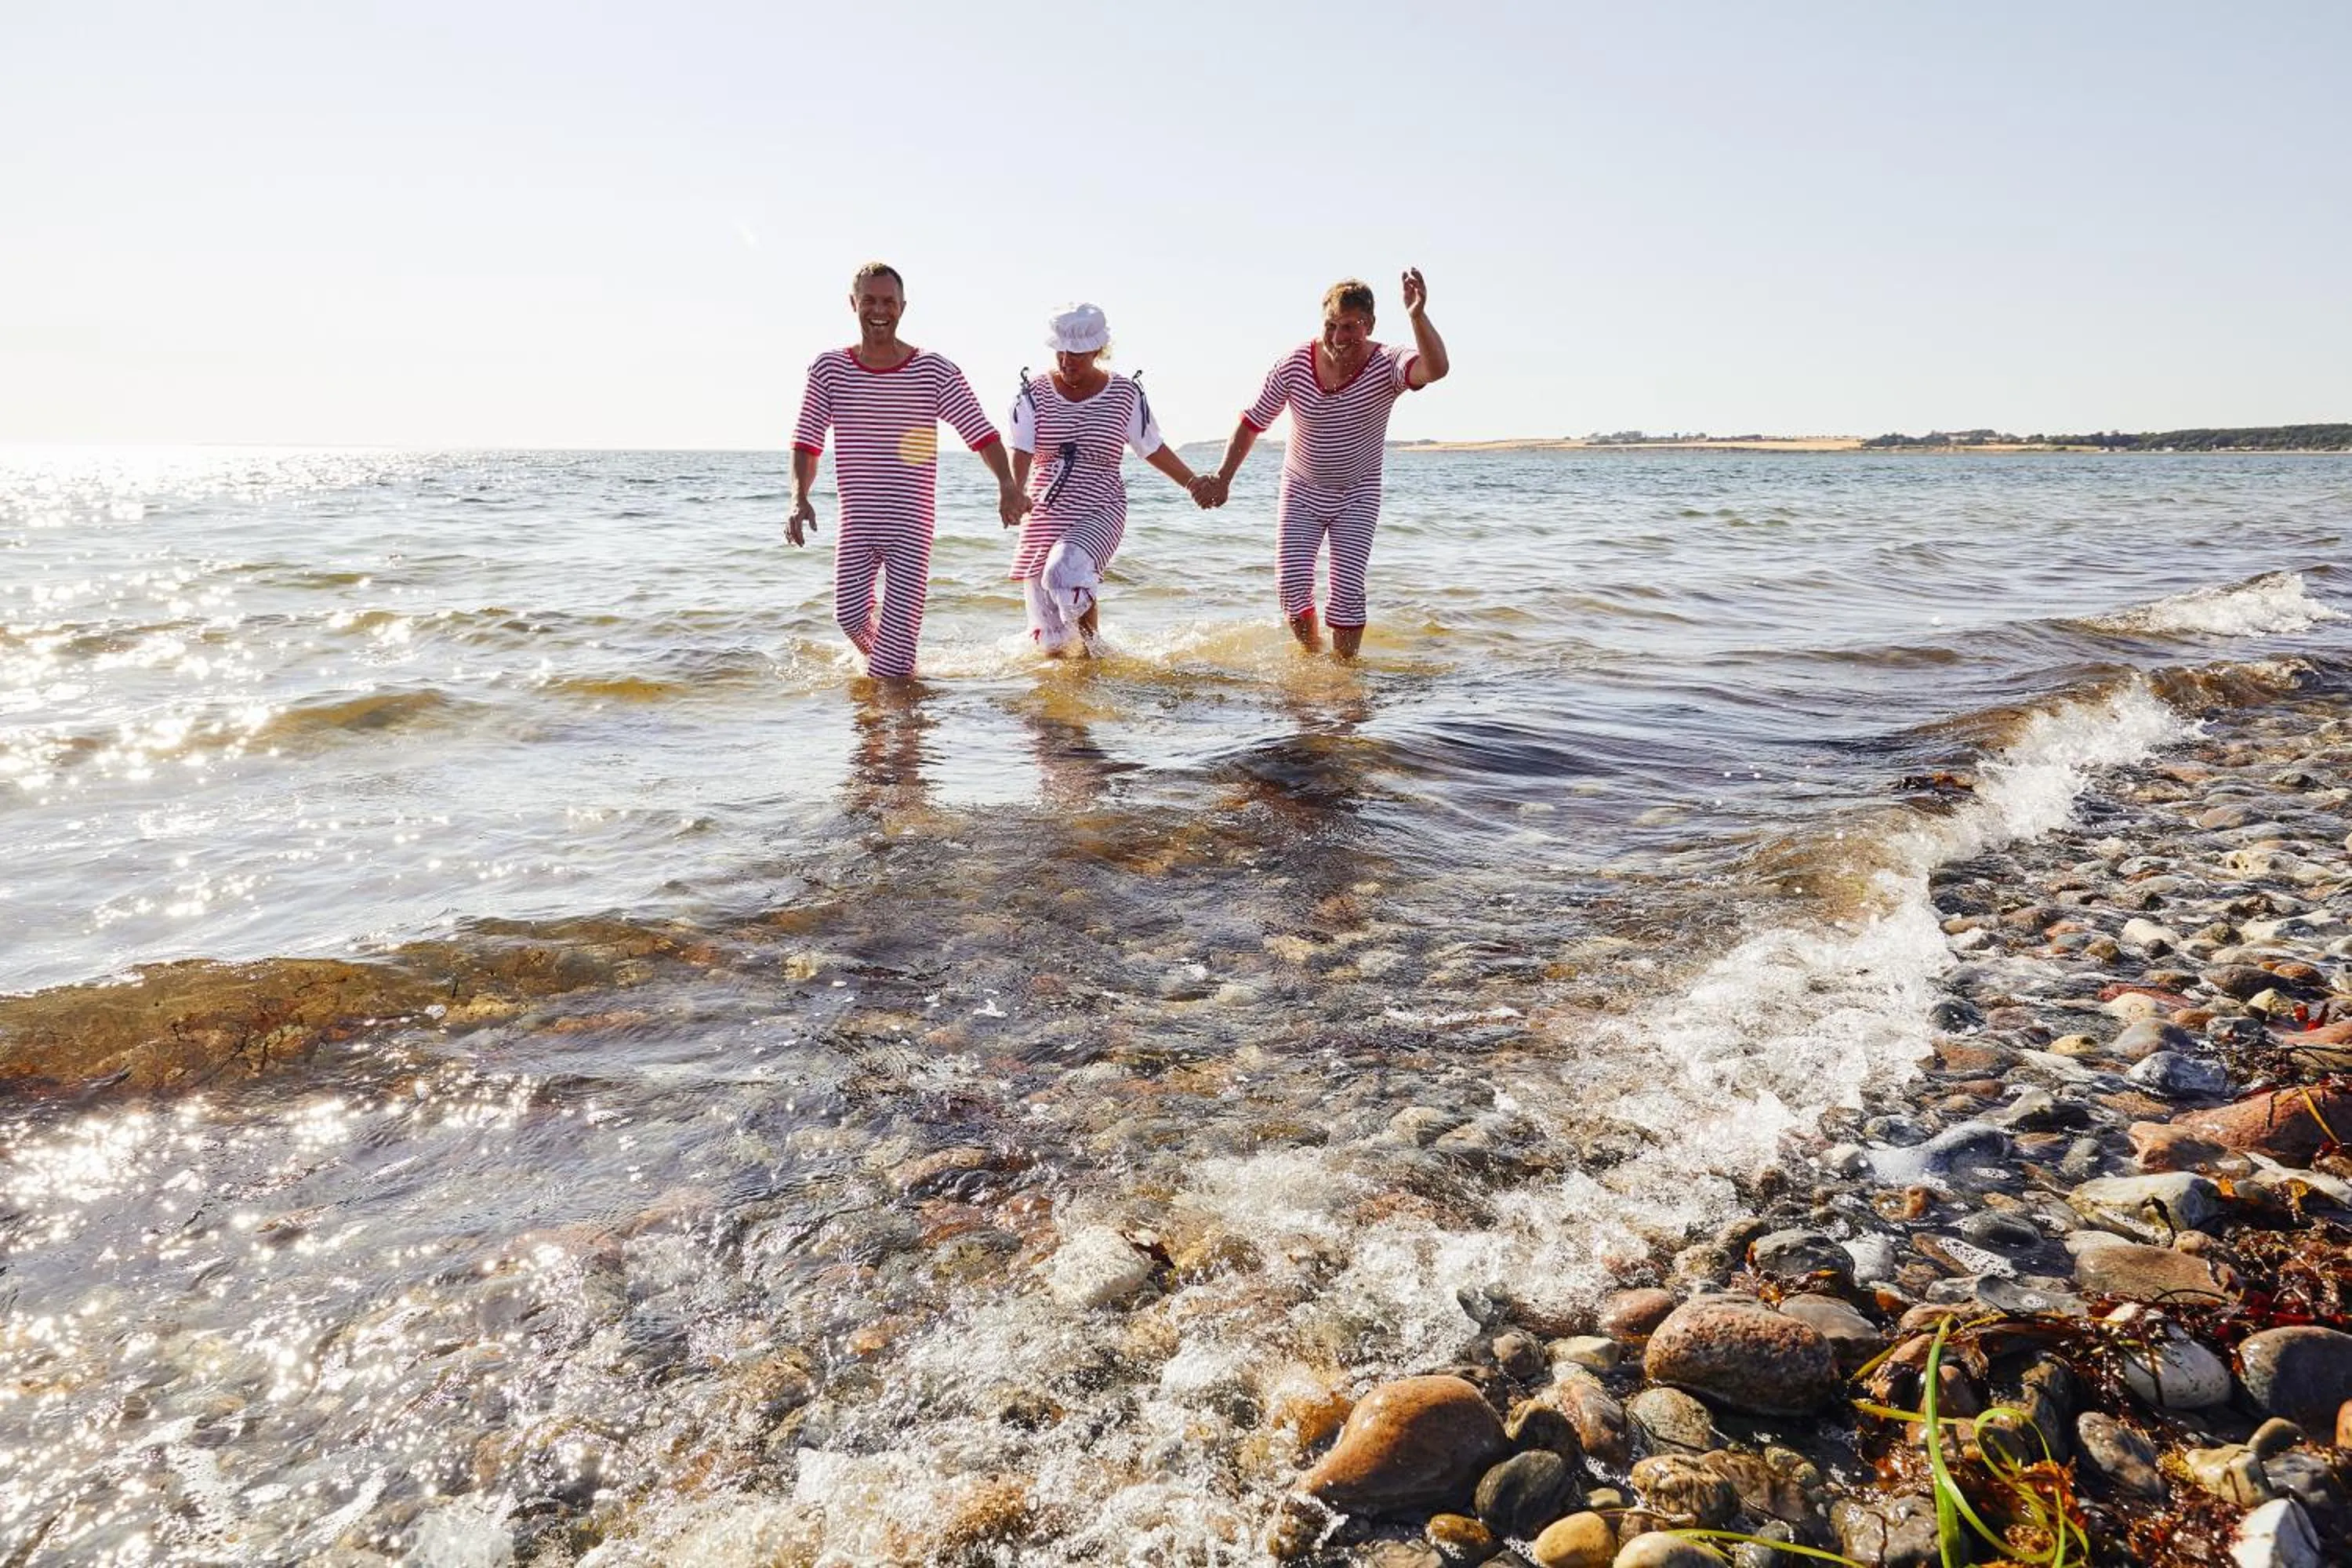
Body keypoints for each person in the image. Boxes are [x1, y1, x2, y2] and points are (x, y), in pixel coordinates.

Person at [786, 262, 1029, 680]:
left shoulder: (933, 370)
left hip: (910, 526)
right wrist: (799, 497)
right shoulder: (829, 370)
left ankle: (898, 721)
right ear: (853, 304)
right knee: (847, 617)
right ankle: (902, 677)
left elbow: (982, 434)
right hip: (857, 521)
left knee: (885, 673)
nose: (879, 310)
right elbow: (808, 440)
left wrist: (1007, 485)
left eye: (888, 302)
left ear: (903, 308)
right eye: (869, 301)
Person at [1200, 269, 1450, 658]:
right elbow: (1252, 422)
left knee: (1347, 589)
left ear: (1369, 325)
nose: (1338, 338)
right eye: (1331, 325)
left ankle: (1345, 672)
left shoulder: (1387, 363)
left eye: (1349, 327)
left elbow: (1435, 370)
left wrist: (1417, 316)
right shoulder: (1294, 364)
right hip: (1301, 488)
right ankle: (1313, 654)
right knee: (1290, 587)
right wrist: (1223, 477)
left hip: (1358, 493)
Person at [1007, 303, 1214, 655]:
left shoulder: (1124, 394)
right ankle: (1078, 687)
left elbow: (1151, 447)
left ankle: (1094, 656)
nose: (1067, 362)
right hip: (1045, 510)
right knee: (1051, 644)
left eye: (1077, 354)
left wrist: (1192, 483)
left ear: (1098, 350)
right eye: (1061, 352)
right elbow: (1022, 448)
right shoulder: (1033, 393)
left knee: (1063, 572)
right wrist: (1012, 491)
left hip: (1100, 507)